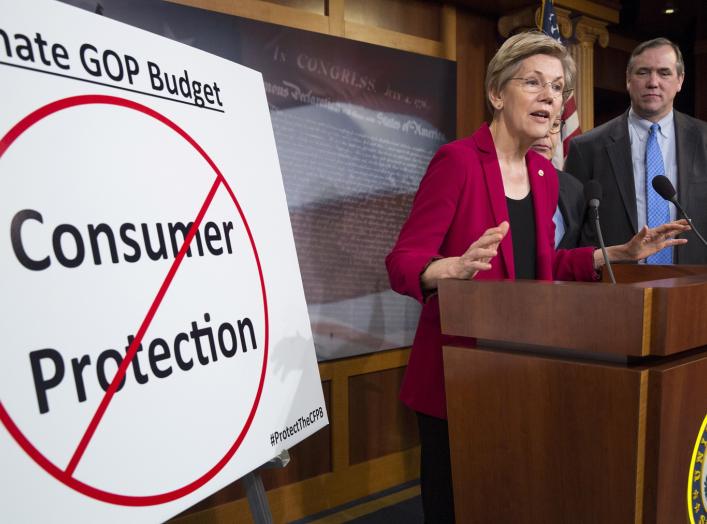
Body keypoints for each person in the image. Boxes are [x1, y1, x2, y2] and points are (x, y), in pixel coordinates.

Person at [385, 31, 689, 523]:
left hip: (525, 371)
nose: (550, 96)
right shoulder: (458, 162)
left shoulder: (546, 178)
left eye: (557, 87)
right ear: (496, 93)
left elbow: (543, 264)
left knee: (513, 499)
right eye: (533, 82)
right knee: (457, 505)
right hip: (459, 374)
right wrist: (451, 269)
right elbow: (402, 261)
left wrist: (620, 251)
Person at [565, 37, 707, 263]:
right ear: (628, 80)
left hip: (693, 287)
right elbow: (570, 236)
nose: (653, 82)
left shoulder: (704, 140)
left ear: (680, 80)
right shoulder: (586, 148)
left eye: (664, 73)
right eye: (643, 72)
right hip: (615, 286)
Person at [531, 116, 587, 248]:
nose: (546, 134)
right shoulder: (499, 180)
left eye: (555, 125)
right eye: (539, 122)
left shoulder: (575, 189)